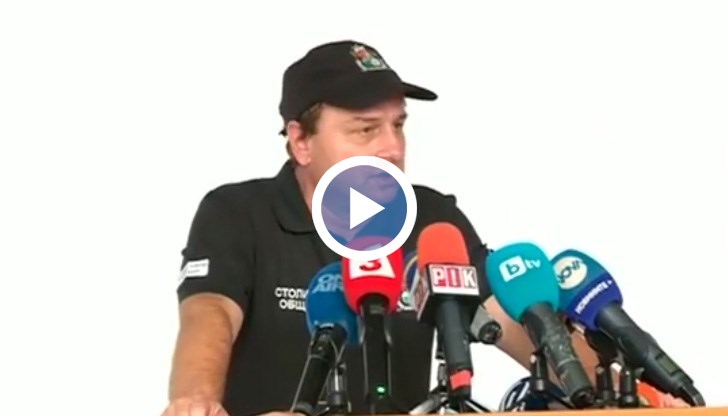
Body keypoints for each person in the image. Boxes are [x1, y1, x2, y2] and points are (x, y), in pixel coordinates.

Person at [162, 40, 687, 416]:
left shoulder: (432, 218)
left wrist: (624, 395)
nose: (392, 147)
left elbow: (514, 319)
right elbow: (210, 314)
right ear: (301, 141)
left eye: (398, 125)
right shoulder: (239, 212)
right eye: (366, 129)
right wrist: (196, 400)